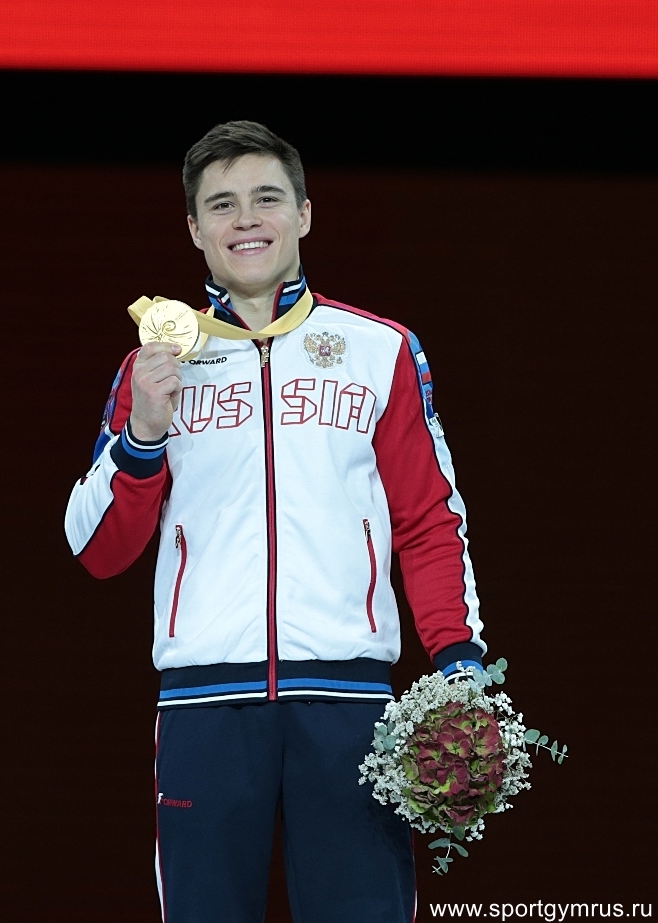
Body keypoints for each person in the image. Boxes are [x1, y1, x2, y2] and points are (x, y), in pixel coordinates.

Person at [65, 120, 486, 923]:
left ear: (304, 213)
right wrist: (143, 434)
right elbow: (97, 549)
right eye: (221, 205)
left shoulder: (379, 350)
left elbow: (428, 521)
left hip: (352, 704)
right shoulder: (153, 367)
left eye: (266, 197)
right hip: (203, 707)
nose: (246, 219)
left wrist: (460, 665)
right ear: (195, 229)